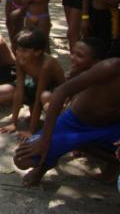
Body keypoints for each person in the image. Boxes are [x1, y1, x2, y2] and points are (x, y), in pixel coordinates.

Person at [14, 57, 120, 186]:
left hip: (111, 128)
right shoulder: (112, 67)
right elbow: (61, 91)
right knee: (23, 159)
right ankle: (45, 165)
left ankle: (112, 161)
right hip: (75, 123)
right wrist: (44, 141)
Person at [0, 28, 66, 139]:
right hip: (37, 86)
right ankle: (33, 118)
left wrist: (31, 130)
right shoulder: (20, 60)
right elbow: (19, 90)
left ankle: (61, 127)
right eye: (18, 49)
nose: (19, 53)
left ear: (38, 51)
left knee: (44, 97)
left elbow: (38, 99)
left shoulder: (46, 65)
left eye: (24, 51)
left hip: (54, 93)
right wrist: (13, 122)